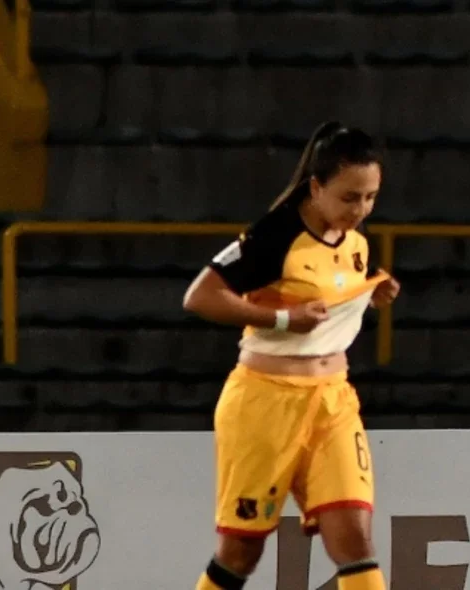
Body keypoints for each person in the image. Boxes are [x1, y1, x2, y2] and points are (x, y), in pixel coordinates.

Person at [182, 123, 401, 590]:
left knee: (356, 542)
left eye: (370, 197)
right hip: (264, 404)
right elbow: (200, 297)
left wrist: (376, 288)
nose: (360, 210)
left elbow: (339, 281)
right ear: (316, 187)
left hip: (333, 403)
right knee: (241, 551)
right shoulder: (274, 236)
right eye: (349, 198)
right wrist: (284, 320)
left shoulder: (356, 243)